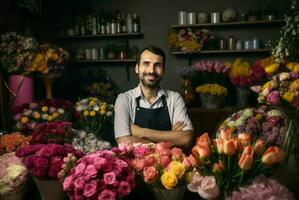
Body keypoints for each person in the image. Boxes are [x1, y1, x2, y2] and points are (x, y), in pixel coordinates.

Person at [114, 45, 193, 148]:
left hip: (169, 163)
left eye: (157, 65)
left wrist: (141, 132)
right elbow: (123, 142)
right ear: (137, 68)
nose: (151, 71)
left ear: (163, 70)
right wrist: (170, 138)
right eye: (146, 64)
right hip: (135, 163)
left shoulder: (175, 98)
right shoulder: (124, 99)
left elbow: (186, 138)